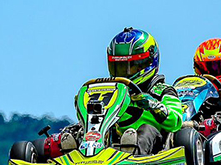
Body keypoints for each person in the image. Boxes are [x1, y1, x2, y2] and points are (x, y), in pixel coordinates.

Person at [45, 27, 184, 157]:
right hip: (113, 141)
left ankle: (133, 155)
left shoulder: (162, 91)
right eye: (120, 67)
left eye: (132, 67)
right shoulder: (114, 91)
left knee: (146, 129)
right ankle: (74, 153)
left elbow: (176, 121)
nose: (126, 73)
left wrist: (152, 105)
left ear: (148, 62)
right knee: (81, 130)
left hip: (153, 145)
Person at [191, 38, 221, 136]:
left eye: (220, 66)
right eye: (207, 68)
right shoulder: (197, 91)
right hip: (200, 137)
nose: (214, 72)